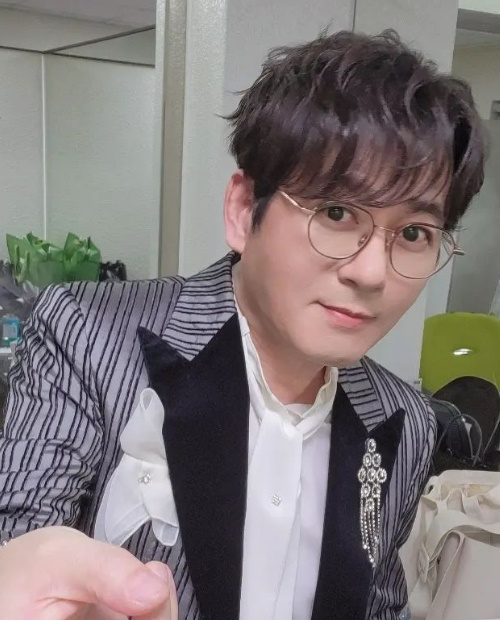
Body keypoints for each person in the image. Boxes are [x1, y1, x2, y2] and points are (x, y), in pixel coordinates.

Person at [0, 29, 484, 620]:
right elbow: (19, 546)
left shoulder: (403, 420)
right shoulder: (86, 336)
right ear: (242, 210)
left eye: (413, 233)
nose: (371, 272)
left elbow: (379, 606)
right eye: (336, 212)